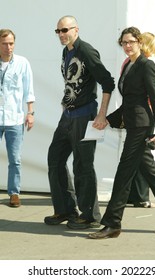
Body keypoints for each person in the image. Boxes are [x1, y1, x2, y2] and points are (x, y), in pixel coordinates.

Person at [88, 27, 155, 239]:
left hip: (142, 126)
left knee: (124, 173)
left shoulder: (146, 64)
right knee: (152, 173)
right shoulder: (129, 66)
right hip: (133, 123)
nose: (127, 46)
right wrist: (107, 119)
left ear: (139, 42)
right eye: (124, 42)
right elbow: (129, 102)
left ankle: (112, 223)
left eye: (131, 41)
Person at [44, 16, 115, 229]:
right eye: (58, 31)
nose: (61, 34)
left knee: (82, 165)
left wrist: (101, 115)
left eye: (65, 30)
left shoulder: (86, 51)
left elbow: (107, 82)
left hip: (85, 115)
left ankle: (90, 216)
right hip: (68, 116)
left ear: (76, 29)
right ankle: (65, 210)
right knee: (55, 159)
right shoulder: (66, 50)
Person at [127, 32, 155, 208]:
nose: (127, 46)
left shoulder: (137, 63)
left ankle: (137, 196)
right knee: (145, 163)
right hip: (143, 118)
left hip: (139, 119)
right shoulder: (141, 63)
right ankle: (142, 197)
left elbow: (140, 87)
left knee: (140, 162)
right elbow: (151, 95)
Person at [0, 29, 35, 207]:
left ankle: (14, 193)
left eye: (11, 43)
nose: (8, 47)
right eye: (5, 43)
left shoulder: (22, 63)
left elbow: (29, 90)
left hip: (15, 119)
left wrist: (30, 113)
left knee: (15, 158)